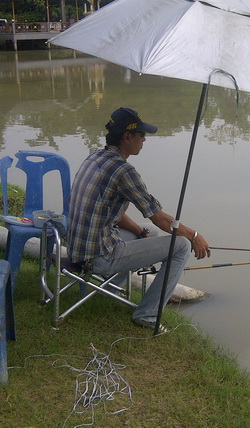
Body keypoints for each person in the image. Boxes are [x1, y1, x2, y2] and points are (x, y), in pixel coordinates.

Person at [67, 107, 210, 331]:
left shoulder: (95, 157)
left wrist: (140, 231)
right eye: (141, 135)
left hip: (76, 247)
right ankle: (148, 315)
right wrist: (194, 236)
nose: (144, 140)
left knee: (146, 232)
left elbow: (107, 209)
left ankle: (111, 291)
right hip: (98, 256)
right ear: (127, 136)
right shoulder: (123, 171)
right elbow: (160, 219)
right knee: (180, 245)